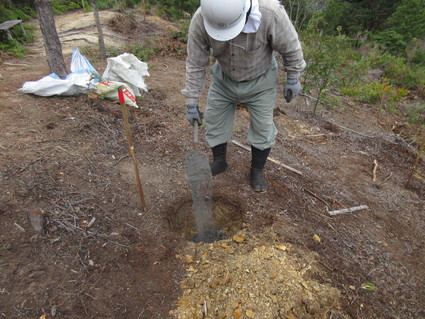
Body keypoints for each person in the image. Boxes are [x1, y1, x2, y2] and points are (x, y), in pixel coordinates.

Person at [183, 0, 305, 192]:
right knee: (214, 120)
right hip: (224, 78)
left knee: (263, 127)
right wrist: (191, 102)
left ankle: (257, 170)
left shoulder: (270, 13)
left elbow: (291, 48)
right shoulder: (202, 18)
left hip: (261, 81)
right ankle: (220, 161)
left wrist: (293, 77)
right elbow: (196, 63)